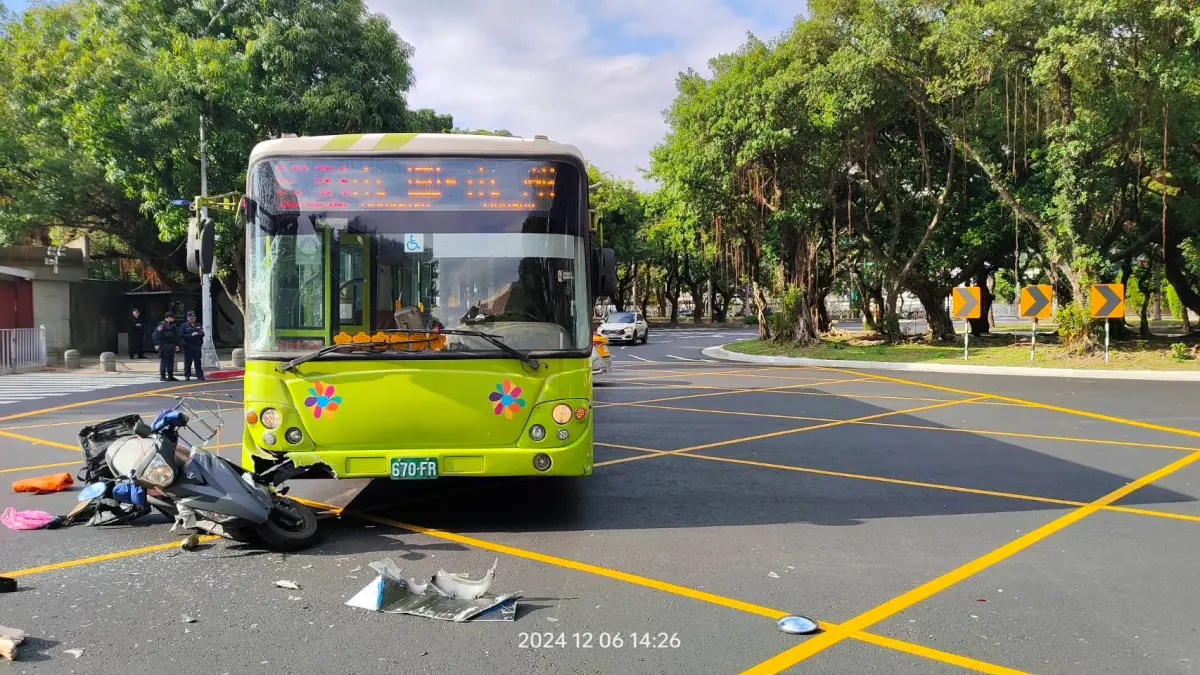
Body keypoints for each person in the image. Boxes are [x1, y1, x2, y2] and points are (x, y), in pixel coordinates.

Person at [152, 312, 181, 382]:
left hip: (171, 345)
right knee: (164, 361)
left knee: (171, 361)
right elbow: (155, 335)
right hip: (164, 345)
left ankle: (170, 376)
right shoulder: (162, 325)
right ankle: (163, 376)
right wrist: (156, 344)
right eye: (172, 317)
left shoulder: (172, 325)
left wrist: (177, 345)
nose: (173, 319)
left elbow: (175, 336)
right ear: (168, 317)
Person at [178, 311, 205, 381]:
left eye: (193, 318)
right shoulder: (184, 326)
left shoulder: (198, 325)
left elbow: (202, 333)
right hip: (188, 346)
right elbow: (181, 335)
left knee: (198, 361)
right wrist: (191, 335)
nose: (192, 320)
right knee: (188, 362)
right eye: (191, 318)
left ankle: (200, 375)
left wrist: (198, 333)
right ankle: (187, 375)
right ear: (187, 318)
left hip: (197, 345)